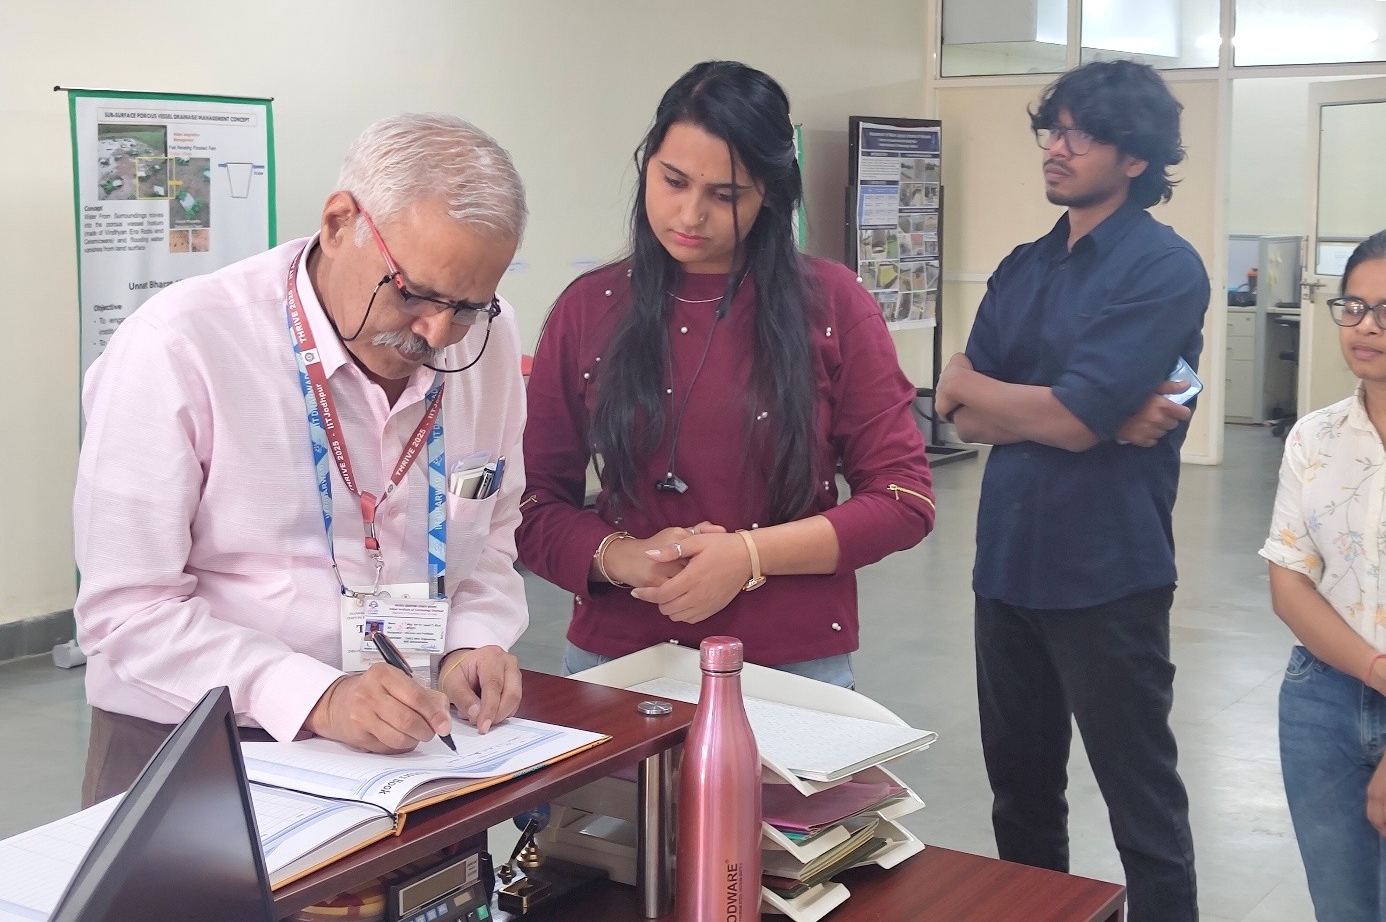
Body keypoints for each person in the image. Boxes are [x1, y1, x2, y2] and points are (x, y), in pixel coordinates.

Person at [74, 114, 530, 805]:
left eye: (467, 305)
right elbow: (127, 611)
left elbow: (491, 533)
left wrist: (470, 644)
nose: (437, 332)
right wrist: (315, 697)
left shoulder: (486, 340)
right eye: (412, 293)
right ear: (340, 221)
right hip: (194, 745)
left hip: (407, 744)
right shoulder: (179, 346)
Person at [516, 60, 935, 689]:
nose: (690, 214)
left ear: (769, 193)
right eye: (673, 181)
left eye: (725, 195)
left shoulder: (833, 303)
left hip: (793, 667)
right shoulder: (589, 307)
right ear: (647, 165)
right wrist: (622, 559)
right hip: (620, 661)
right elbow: (527, 503)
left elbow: (905, 499)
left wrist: (749, 556)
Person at [934, 60, 1207, 921]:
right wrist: (1072, 410)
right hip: (1007, 566)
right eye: (1052, 127)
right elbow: (958, 411)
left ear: (1136, 156)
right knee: (1020, 796)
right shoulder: (1023, 265)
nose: (1058, 146)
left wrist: (1058, 409)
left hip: (1108, 575)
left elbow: (1059, 415)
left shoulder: (1163, 267)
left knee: (1142, 805)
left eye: (1081, 132)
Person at [1264, 227, 1386, 921]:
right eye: (1353, 306)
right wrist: (1383, 674)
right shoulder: (1313, 437)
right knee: (1343, 909)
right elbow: (1289, 582)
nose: (1366, 326)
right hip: (1322, 702)